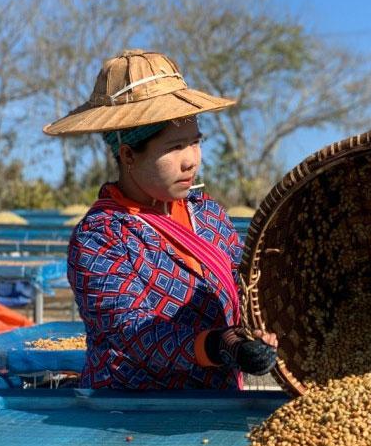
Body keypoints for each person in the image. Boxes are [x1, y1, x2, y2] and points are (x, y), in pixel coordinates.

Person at [43, 49, 277, 389]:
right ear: (128, 155)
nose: (191, 161)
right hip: (131, 416)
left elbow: (247, 286)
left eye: (195, 143)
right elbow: (134, 332)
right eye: (174, 147)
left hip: (218, 406)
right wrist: (220, 344)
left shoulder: (208, 214)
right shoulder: (100, 237)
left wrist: (259, 330)